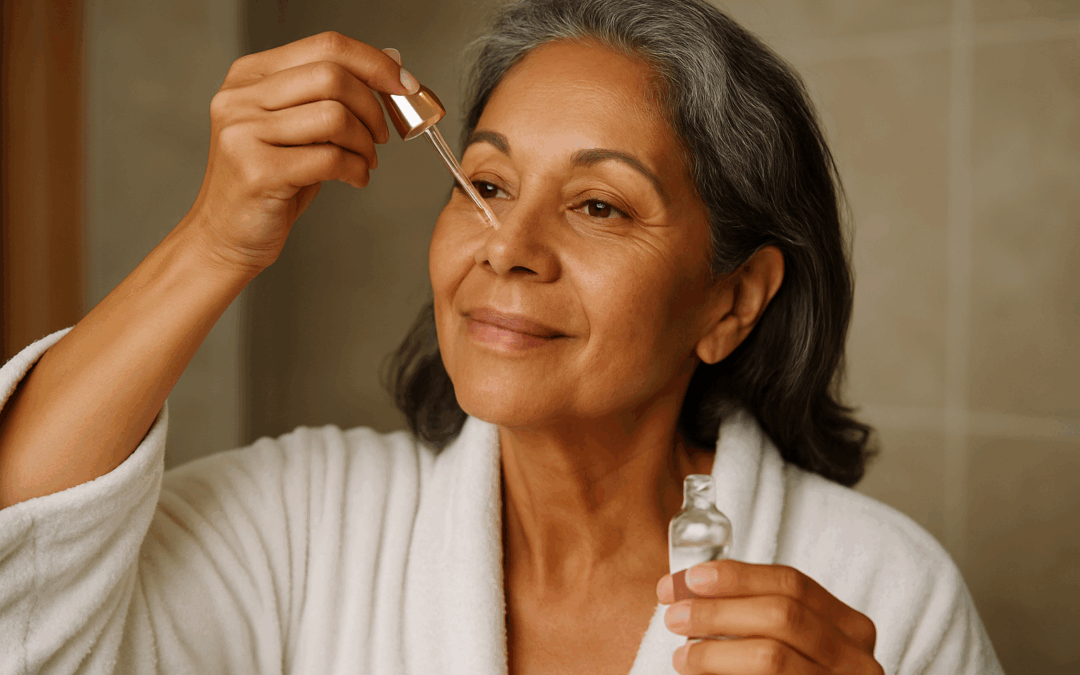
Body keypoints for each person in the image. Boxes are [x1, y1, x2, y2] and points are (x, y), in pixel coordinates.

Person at [0, 0, 1003, 673]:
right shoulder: (302, 527)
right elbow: (24, 600)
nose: (507, 249)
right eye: (484, 184)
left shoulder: (879, 591)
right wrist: (215, 239)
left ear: (732, 303)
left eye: (601, 207)